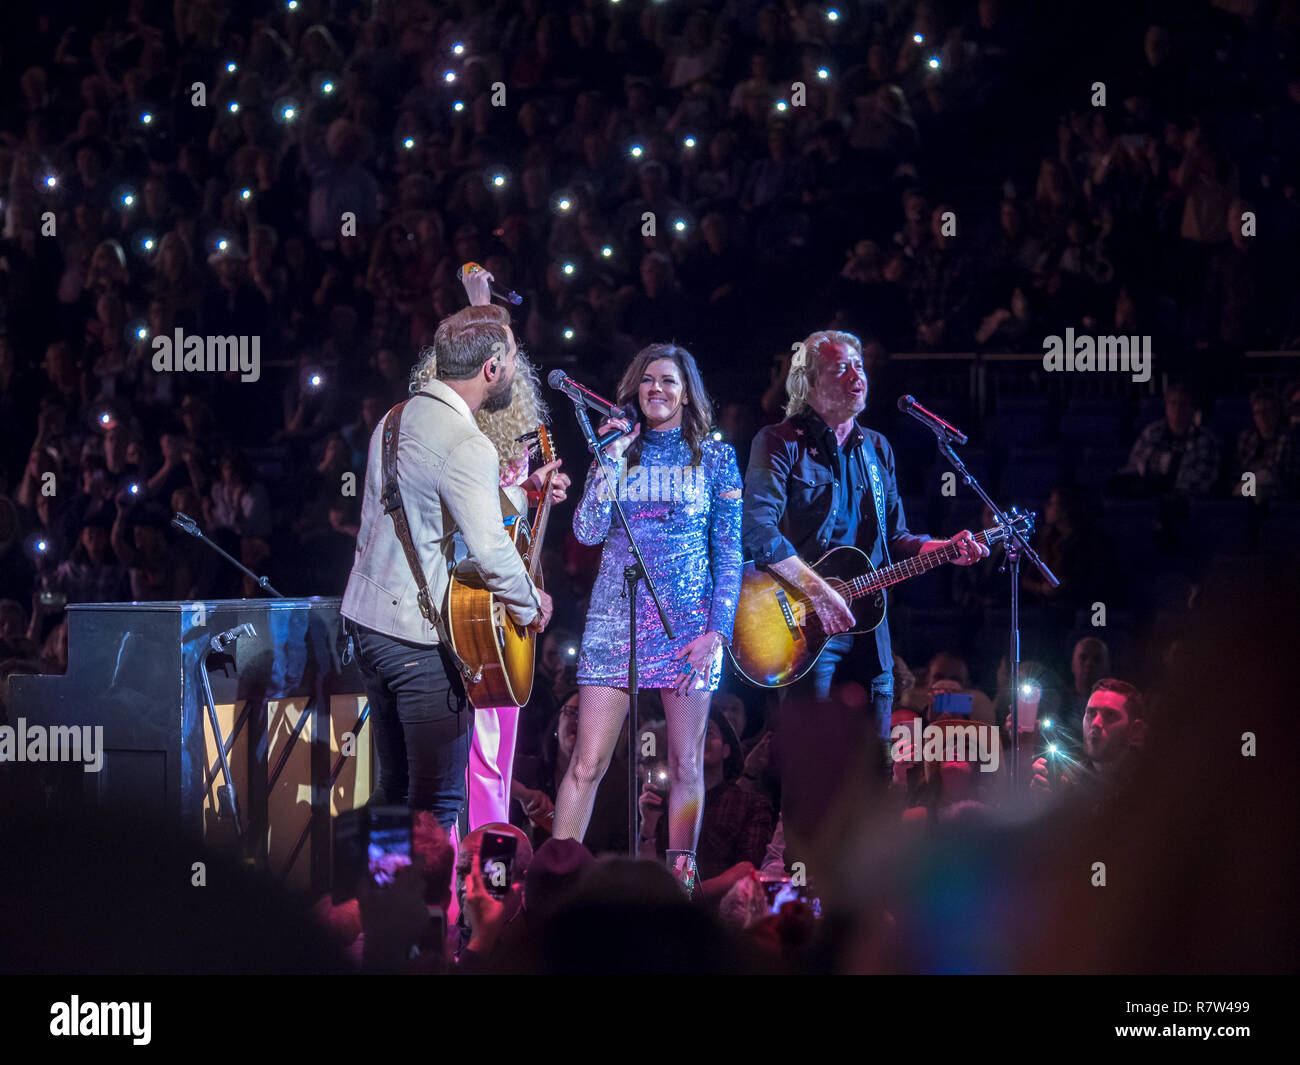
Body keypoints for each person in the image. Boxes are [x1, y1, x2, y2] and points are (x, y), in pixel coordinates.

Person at [340, 302, 554, 831]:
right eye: (508, 359)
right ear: (490, 369)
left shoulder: (391, 421)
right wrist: (531, 604)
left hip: (366, 625)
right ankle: (430, 912)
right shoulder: (467, 444)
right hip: (415, 642)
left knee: (393, 791)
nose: (511, 370)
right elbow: (492, 552)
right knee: (434, 809)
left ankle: (382, 899)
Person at [741, 329, 989, 773]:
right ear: (810, 382)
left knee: (872, 765)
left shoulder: (877, 448)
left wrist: (943, 548)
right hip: (801, 623)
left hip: (869, 626)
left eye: (859, 365)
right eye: (841, 367)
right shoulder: (778, 442)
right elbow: (757, 530)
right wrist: (818, 591)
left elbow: (896, 538)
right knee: (811, 768)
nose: (857, 375)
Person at [551, 343, 744, 896]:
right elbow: (586, 532)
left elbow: (729, 551)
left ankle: (681, 886)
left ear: (688, 394)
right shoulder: (616, 451)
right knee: (587, 764)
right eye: (646, 381)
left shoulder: (715, 457)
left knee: (686, 765)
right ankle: (557, 884)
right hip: (615, 622)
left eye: (668, 381)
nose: (655, 389)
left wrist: (717, 633)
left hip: (687, 630)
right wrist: (611, 455)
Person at [1030, 678, 1147, 802]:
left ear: (1135, 731)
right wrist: (1044, 806)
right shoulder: (1069, 782)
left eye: (1110, 715)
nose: (1095, 723)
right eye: (1091, 713)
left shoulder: (1153, 789)